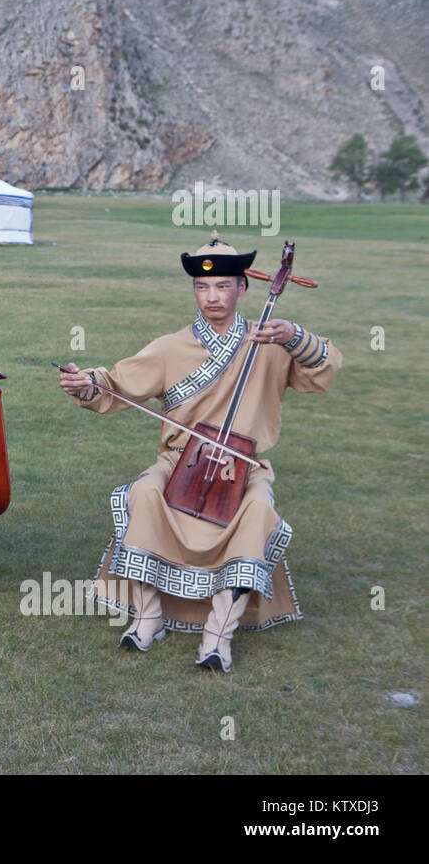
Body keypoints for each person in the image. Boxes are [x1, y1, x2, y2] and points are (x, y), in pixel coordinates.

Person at [58, 234, 340, 671]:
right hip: (180, 461)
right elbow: (116, 383)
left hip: (245, 469)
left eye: (223, 286)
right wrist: (86, 382)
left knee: (258, 512)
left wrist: (294, 336)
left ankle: (218, 635)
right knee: (143, 495)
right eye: (203, 287)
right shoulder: (171, 346)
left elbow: (325, 369)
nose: (212, 296)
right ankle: (149, 615)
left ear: (243, 287)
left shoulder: (270, 342)